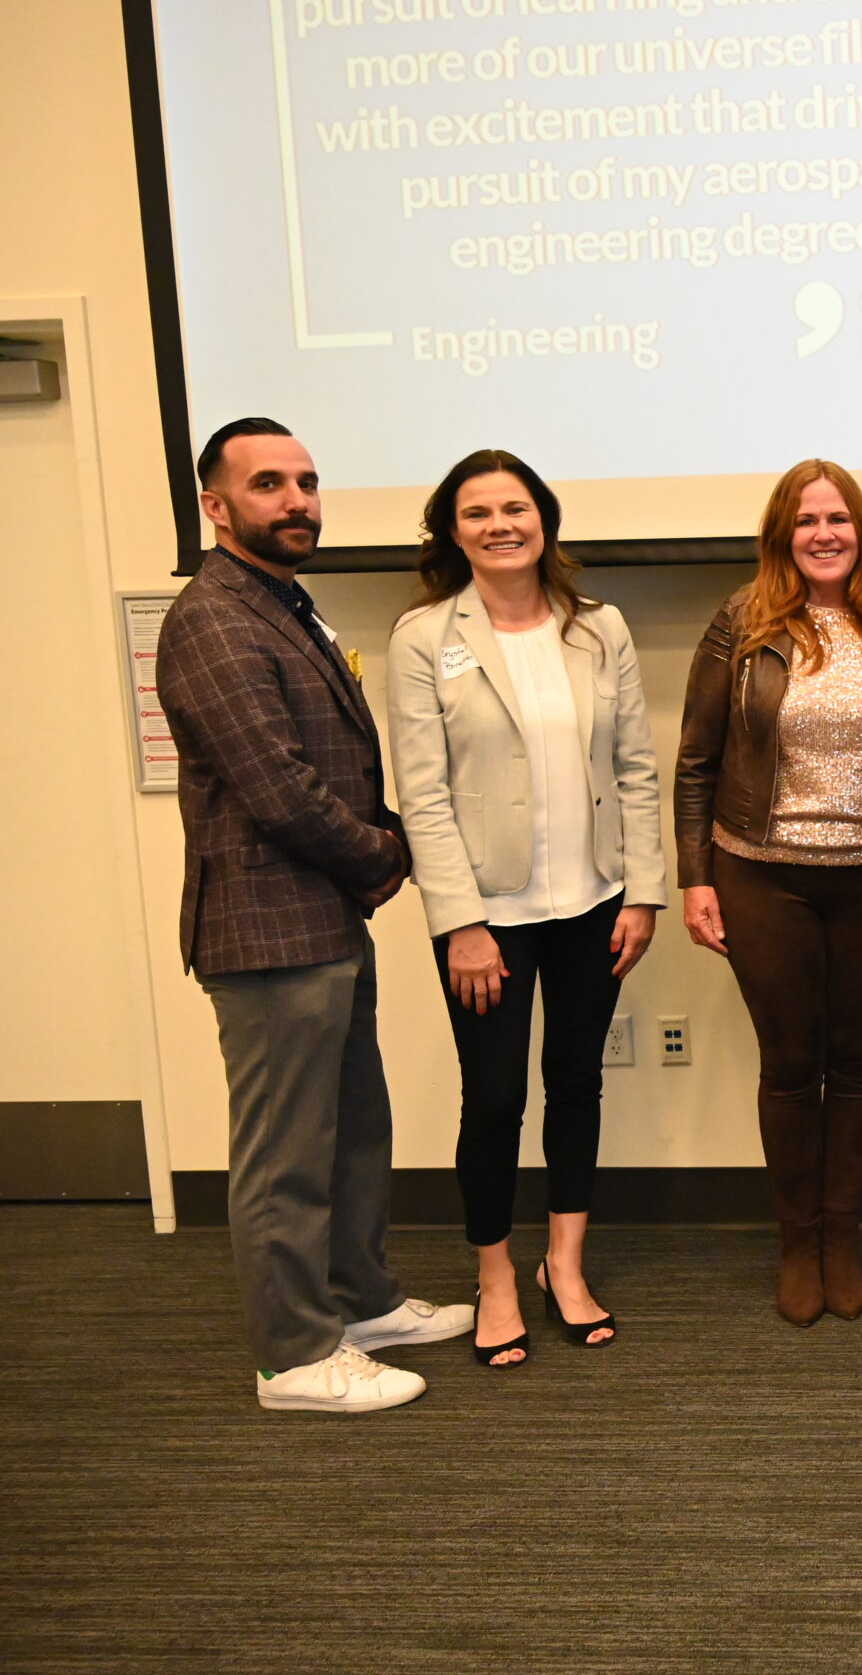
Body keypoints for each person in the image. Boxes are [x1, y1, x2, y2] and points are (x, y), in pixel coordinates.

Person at [157, 418, 471, 1412]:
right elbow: (280, 790)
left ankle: (360, 1299)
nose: (296, 500)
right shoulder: (213, 617)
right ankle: (295, 1354)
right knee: (285, 1152)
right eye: (267, 484)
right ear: (216, 505)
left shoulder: (281, 604)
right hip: (266, 930)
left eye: (306, 481)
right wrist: (388, 852)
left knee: (351, 1129)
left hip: (320, 920)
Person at [385, 449, 663, 1367]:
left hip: (595, 899)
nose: (501, 524)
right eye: (478, 512)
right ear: (452, 530)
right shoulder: (423, 637)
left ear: (544, 519)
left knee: (576, 1083)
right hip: (486, 918)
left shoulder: (600, 628)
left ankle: (565, 1265)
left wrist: (644, 890)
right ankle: (496, 1276)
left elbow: (634, 767)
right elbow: (421, 795)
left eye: (517, 507)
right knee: (495, 1096)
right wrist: (458, 921)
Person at [676, 460, 862, 1327]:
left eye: (840, 519)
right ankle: (795, 1241)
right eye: (808, 519)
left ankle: (841, 1236)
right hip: (761, 874)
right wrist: (695, 877)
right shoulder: (740, 624)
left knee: (856, 1064)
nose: (825, 534)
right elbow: (697, 760)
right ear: (782, 532)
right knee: (788, 1065)